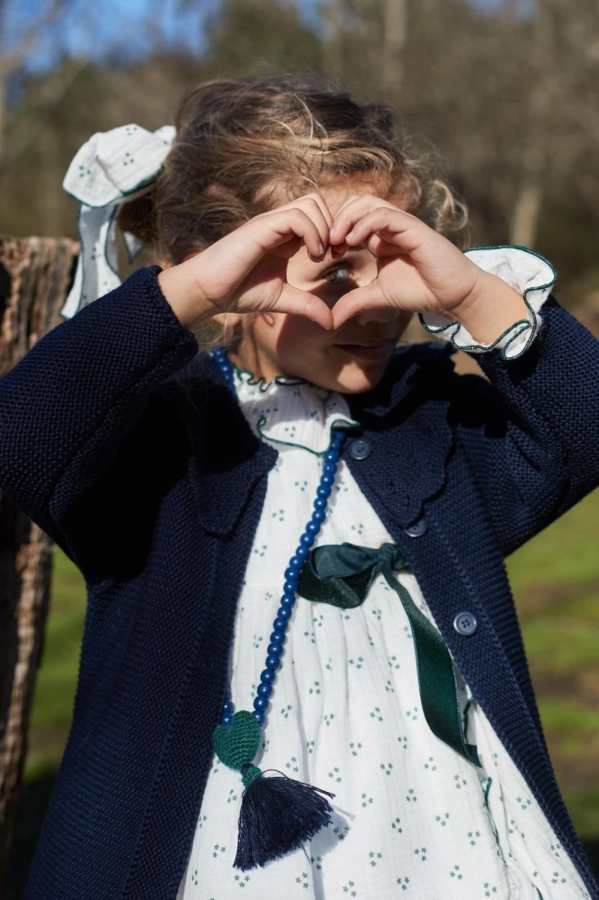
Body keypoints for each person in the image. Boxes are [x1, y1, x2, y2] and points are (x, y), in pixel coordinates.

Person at [1, 74, 598, 900]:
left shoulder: (428, 421)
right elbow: (21, 436)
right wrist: (191, 292)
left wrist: (468, 293)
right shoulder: (160, 440)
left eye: (388, 256)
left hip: (445, 849)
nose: (372, 303)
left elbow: (585, 427)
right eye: (328, 273)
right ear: (232, 272)